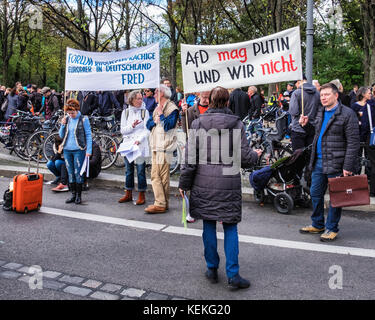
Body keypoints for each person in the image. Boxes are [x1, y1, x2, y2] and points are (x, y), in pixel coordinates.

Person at [178, 86, 261, 289]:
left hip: (203, 182)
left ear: (211, 101)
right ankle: (233, 275)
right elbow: (245, 157)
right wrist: (256, 155)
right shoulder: (236, 124)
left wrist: (183, 184)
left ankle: (212, 268)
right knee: (230, 226)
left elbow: (190, 159)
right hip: (228, 180)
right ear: (228, 102)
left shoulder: (197, 123)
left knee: (208, 224)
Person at [299, 83, 359, 242]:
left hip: (337, 163)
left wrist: (348, 166)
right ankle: (318, 223)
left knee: (336, 198)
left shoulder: (347, 114)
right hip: (319, 161)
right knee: (315, 193)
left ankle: (331, 228)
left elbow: (353, 142)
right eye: (322, 95)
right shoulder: (320, 112)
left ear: (336, 95)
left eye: (326, 94)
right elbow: (317, 133)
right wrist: (306, 125)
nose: (323, 97)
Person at [145, 84, 179, 214]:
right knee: (160, 176)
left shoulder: (172, 108)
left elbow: (168, 126)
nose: (154, 94)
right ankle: (163, 203)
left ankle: (160, 203)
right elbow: (148, 124)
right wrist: (155, 120)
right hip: (156, 145)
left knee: (157, 176)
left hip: (164, 146)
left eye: (156, 92)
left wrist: (161, 116)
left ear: (163, 94)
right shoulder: (157, 107)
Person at [118, 90, 150, 206]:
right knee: (128, 170)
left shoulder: (144, 112)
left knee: (141, 170)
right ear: (132, 100)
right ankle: (128, 193)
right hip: (128, 145)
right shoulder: (125, 113)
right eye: (138, 98)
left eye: (141, 98)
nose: (141, 101)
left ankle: (142, 194)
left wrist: (139, 140)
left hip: (139, 145)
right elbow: (123, 130)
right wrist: (132, 126)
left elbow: (147, 129)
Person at [59, 99, 92, 205]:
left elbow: (88, 135)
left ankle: (79, 195)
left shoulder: (84, 119)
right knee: (70, 173)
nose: (70, 115)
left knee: (78, 173)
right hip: (67, 149)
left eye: (72, 113)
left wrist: (89, 150)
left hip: (79, 149)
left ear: (77, 110)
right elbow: (60, 135)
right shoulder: (67, 119)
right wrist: (62, 125)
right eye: (69, 113)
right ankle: (73, 194)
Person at [289, 76, 321, 185]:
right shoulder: (317, 93)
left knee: (297, 157)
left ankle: (296, 182)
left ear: (299, 82)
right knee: (310, 157)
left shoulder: (297, 93)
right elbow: (320, 110)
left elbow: (293, 111)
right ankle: (309, 181)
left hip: (298, 129)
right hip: (312, 128)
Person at [355, 87, 375, 193]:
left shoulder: (371, 104)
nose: (370, 94)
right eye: (369, 93)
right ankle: (356, 179)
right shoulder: (355, 105)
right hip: (359, 134)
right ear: (363, 94)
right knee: (358, 157)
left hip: (369, 135)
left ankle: (369, 179)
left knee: (370, 159)